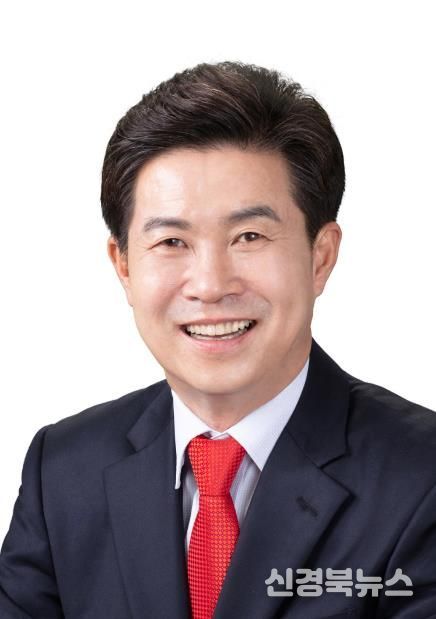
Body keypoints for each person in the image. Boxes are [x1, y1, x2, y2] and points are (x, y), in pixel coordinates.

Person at [1, 61, 435, 619]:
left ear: (320, 256)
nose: (210, 285)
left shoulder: (421, 479)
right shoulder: (62, 471)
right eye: (172, 242)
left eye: (248, 236)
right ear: (124, 265)